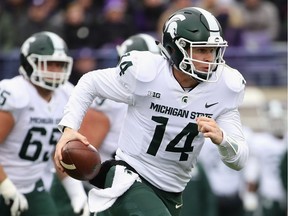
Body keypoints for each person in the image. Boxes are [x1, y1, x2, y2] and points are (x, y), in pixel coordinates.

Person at [54, 7, 249, 216]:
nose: (209, 58)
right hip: (130, 176)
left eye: (212, 50)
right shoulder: (146, 73)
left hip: (172, 191)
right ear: (174, 48)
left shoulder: (225, 86)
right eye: (201, 50)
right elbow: (90, 82)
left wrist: (223, 140)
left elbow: (240, 159)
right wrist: (69, 129)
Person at [0, 31, 105, 216]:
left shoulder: (67, 95)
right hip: (4, 181)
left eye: (60, 65)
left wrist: (76, 194)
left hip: (32, 185)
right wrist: (6, 187)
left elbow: (60, 152)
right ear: (29, 63)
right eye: (48, 64)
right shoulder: (15, 94)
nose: (55, 71)